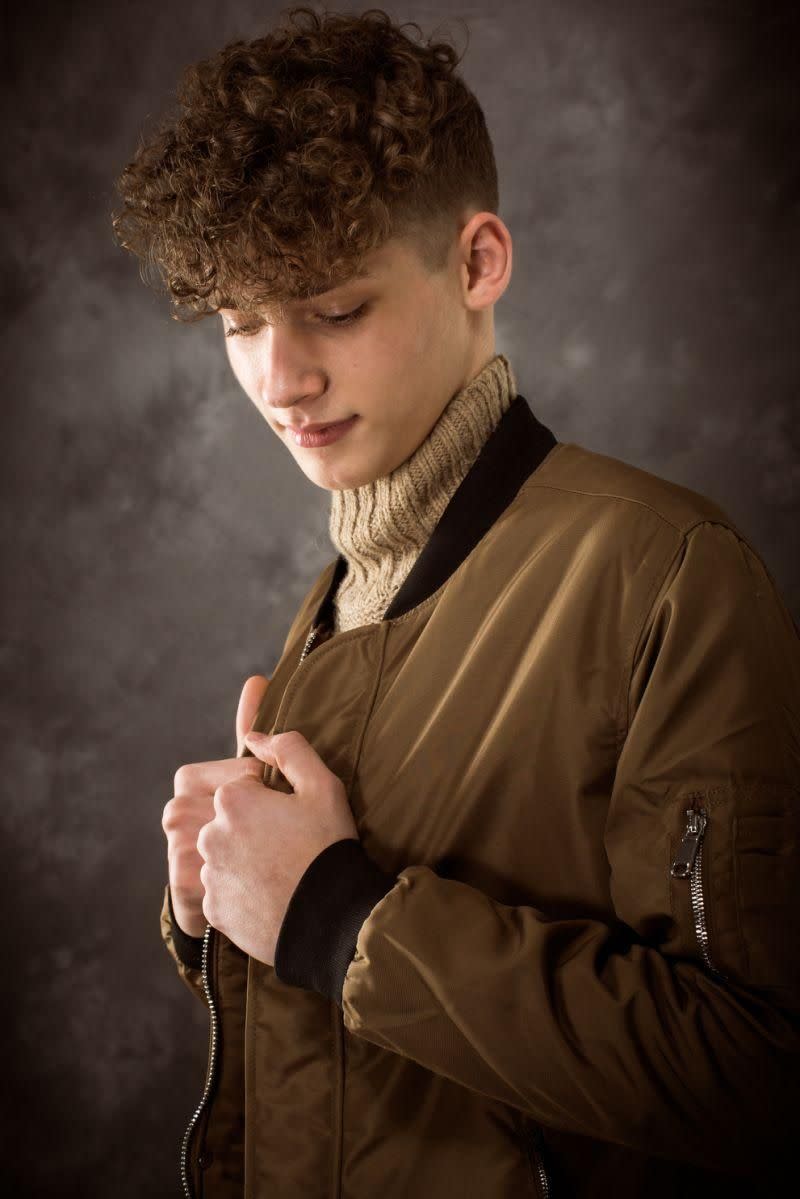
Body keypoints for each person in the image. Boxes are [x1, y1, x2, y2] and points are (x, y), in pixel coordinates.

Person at [112, 7, 800, 1197]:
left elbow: (757, 1071)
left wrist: (336, 913)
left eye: (333, 308)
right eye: (239, 321)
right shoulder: (341, 594)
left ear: (477, 261)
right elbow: (381, 1066)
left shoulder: (664, 570)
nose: (280, 378)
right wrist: (224, 902)